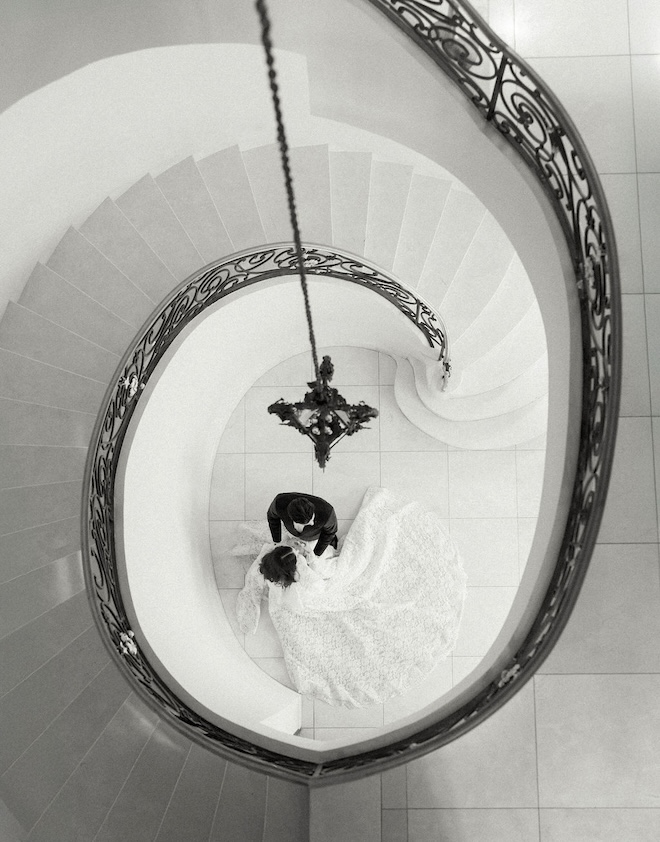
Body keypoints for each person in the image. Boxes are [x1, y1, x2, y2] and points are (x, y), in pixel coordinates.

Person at [236, 487, 467, 708]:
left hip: (303, 591)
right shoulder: (292, 550)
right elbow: (311, 582)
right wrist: (300, 556)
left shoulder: (277, 555)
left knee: (332, 579)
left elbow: (261, 587)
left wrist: (306, 556)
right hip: (307, 592)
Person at [266, 492, 338, 558]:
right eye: (308, 523)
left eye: (312, 519)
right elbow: (272, 517)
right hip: (291, 533)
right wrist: (277, 541)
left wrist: (316, 554)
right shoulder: (279, 503)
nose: (312, 523)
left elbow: (330, 532)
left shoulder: (327, 512)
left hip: (315, 538)